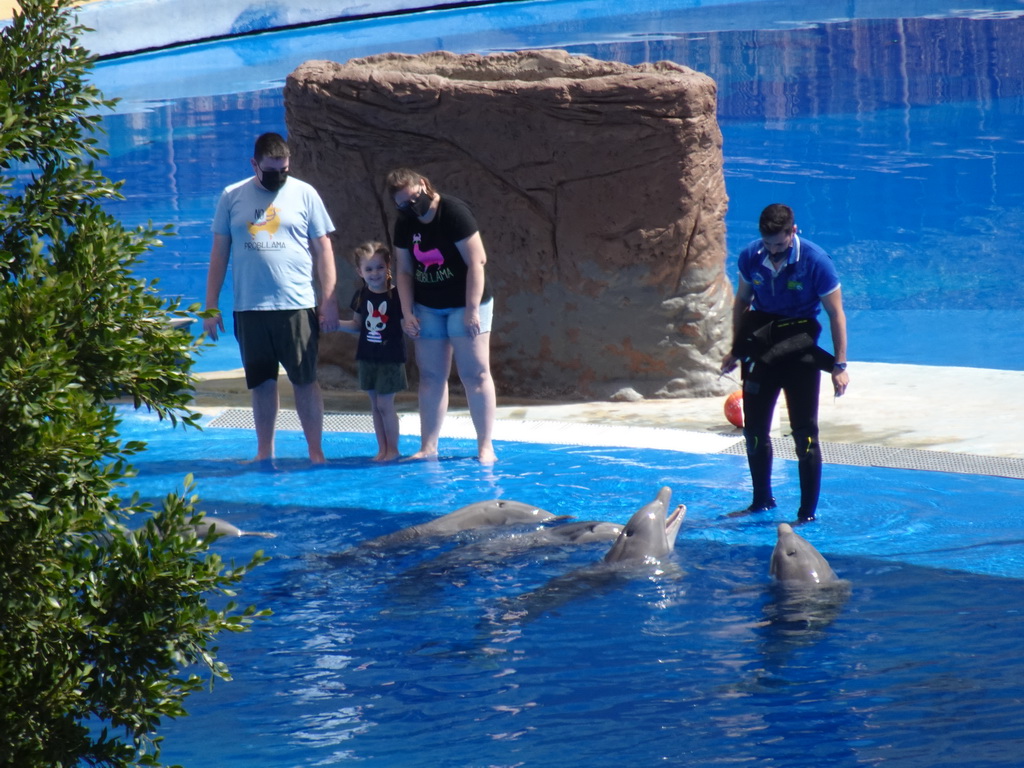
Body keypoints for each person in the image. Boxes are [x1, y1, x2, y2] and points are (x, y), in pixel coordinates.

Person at [203, 132, 339, 464]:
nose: (278, 176)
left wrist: (330, 299)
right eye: (271, 170)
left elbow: (324, 250)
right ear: (254, 164)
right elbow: (219, 253)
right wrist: (210, 306)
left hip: (296, 304)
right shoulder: (232, 196)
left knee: (304, 381)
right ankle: (264, 452)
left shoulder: (304, 193)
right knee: (261, 383)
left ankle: (316, 452)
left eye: (284, 169)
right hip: (250, 307)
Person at [721, 203, 849, 523]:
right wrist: (735, 349)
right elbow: (742, 301)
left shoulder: (816, 262)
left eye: (779, 243)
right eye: (768, 244)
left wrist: (840, 365)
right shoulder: (751, 256)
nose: (773, 250)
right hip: (762, 351)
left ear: (793, 231)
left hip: (798, 354)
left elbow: (836, 314)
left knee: (804, 436)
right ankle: (761, 501)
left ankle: (806, 514)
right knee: (754, 431)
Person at [386, 168, 497, 464]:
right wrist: (407, 312)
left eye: (413, 199)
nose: (411, 208)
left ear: (423, 184)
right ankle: (428, 446)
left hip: (466, 302)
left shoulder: (453, 212)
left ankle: (485, 446)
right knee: (432, 376)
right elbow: (405, 270)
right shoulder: (405, 223)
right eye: (403, 205)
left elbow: (477, 261)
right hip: (428, 306)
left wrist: (472, 310)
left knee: (475, 373)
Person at [336, 241, 407, 461]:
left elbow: (406, 325)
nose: (374, 273)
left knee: (385, 404)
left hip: (390, 358)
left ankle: (393, 450)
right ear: (360, 272)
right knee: (375, 406)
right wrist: (334, 323)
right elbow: (357, 326)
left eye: (379, 267)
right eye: (369, 269)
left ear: (388, 267)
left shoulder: (397, 297)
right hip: (367, 357)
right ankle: (382, 449)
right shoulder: (361, 295)